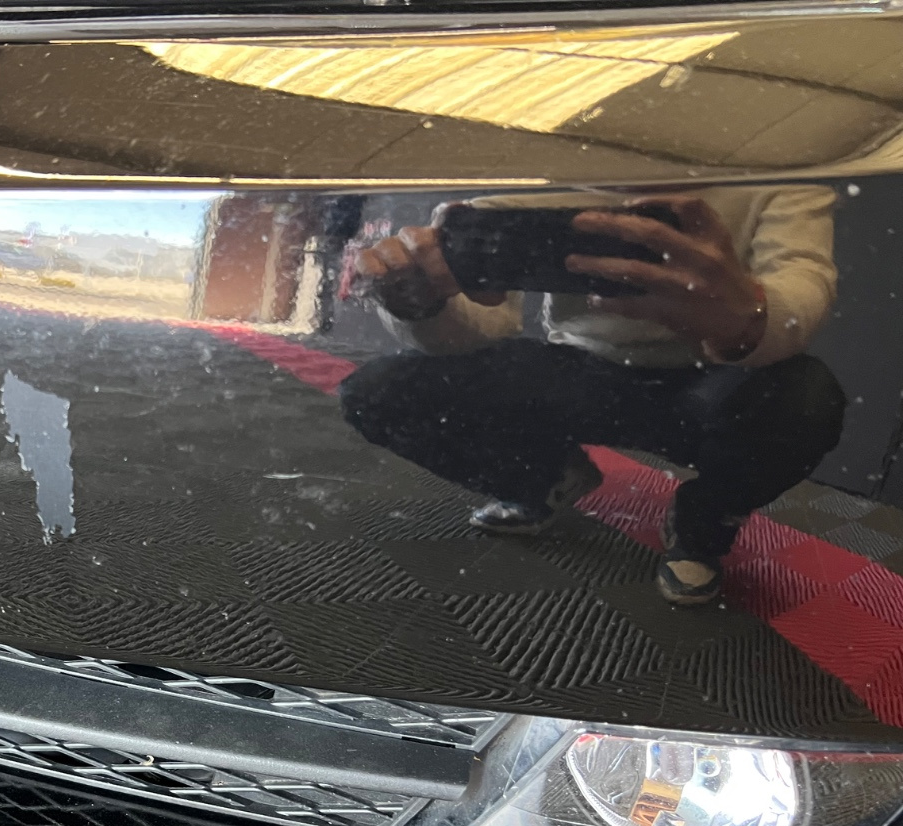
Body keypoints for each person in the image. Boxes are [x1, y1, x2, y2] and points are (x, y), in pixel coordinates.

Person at [339, 188, 844, 604]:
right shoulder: (555, 158)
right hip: (585, 366)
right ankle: (542, 479)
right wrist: (421, 305)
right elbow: (486, 327)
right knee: (379, 393)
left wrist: (745, 317)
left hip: (714, 378)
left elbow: (803, 283)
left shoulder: (779, 170)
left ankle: (703, 524)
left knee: (804, 398)